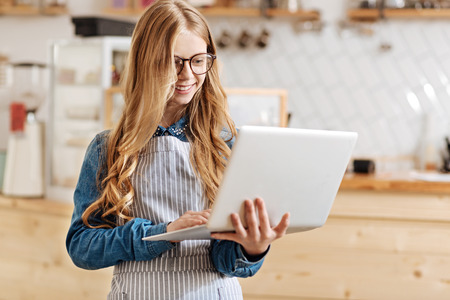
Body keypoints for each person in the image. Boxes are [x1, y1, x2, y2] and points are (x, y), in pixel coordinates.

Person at [66, 0, 290, 299]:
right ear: (146, 61)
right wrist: (162, 233)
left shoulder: (225, 145)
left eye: (198, 60)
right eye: (174, 61)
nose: (187, 75)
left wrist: (253, 247)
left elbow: (227, 260)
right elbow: (82, 248)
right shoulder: (108, 148)